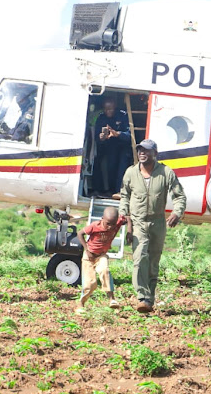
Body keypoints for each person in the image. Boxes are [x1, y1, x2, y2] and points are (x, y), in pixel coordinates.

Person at [119, 139, 186, 313]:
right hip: (138, 221)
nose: (142, 153)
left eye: (146, 150)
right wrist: (124, 215)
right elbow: (124, 195)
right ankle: (142, 296)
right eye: (140, 150)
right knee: (140, 257)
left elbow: (179, 196)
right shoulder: (130, 173)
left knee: (153, 262)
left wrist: (177, 213)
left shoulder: (166, 172)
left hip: (158, 222)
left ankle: (149, 300)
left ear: (155, 153)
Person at [75, 207, 127, 314]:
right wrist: (87, 249)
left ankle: (112, 299)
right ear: (102, 218)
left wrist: (129, 231)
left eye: (113, 224)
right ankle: (81, 304)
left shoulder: (117, 223)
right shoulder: (95, 226)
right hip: (89, 257)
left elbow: (128, 219)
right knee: (90, 284)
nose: (110, 227)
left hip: (102, 255)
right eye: (108, 223)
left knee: (105, 271)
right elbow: (80, 234)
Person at [93, 97, 132, 196]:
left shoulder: (123, 115)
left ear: (115, 107)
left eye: (110, 109)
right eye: (105, 109)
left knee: (122, 168)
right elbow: (96, 137)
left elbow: (130, 136)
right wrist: (101, 137)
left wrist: (117, 134)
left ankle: (119, 191)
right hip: (109, 147)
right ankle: (110, 191)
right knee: (110, 167)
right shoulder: (101, 117)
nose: (107, 111)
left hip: (123, 146)